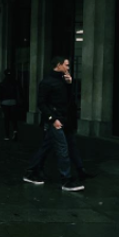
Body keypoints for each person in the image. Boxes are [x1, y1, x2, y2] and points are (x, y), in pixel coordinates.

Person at [23, 56, 84, 192]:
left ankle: (30, 172)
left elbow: (68, 101)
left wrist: (69, 84)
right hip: (56, 121)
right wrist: (53, 119)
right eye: (66, 65)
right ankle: (66, 180)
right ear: (59, 65)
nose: (68, 68)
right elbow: (41, 104)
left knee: (46, 147)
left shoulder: (64, 80)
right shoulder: (47, 82)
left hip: (66, 120)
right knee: (62, 148)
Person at [0, 70, 21, 141]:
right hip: (13, 102)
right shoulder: (15, 82)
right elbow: (19, 92)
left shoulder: (3, 83)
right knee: (14, 119)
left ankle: (7, 135)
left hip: (5, 102)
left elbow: (0, 94)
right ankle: (15, 131)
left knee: (6, 119)